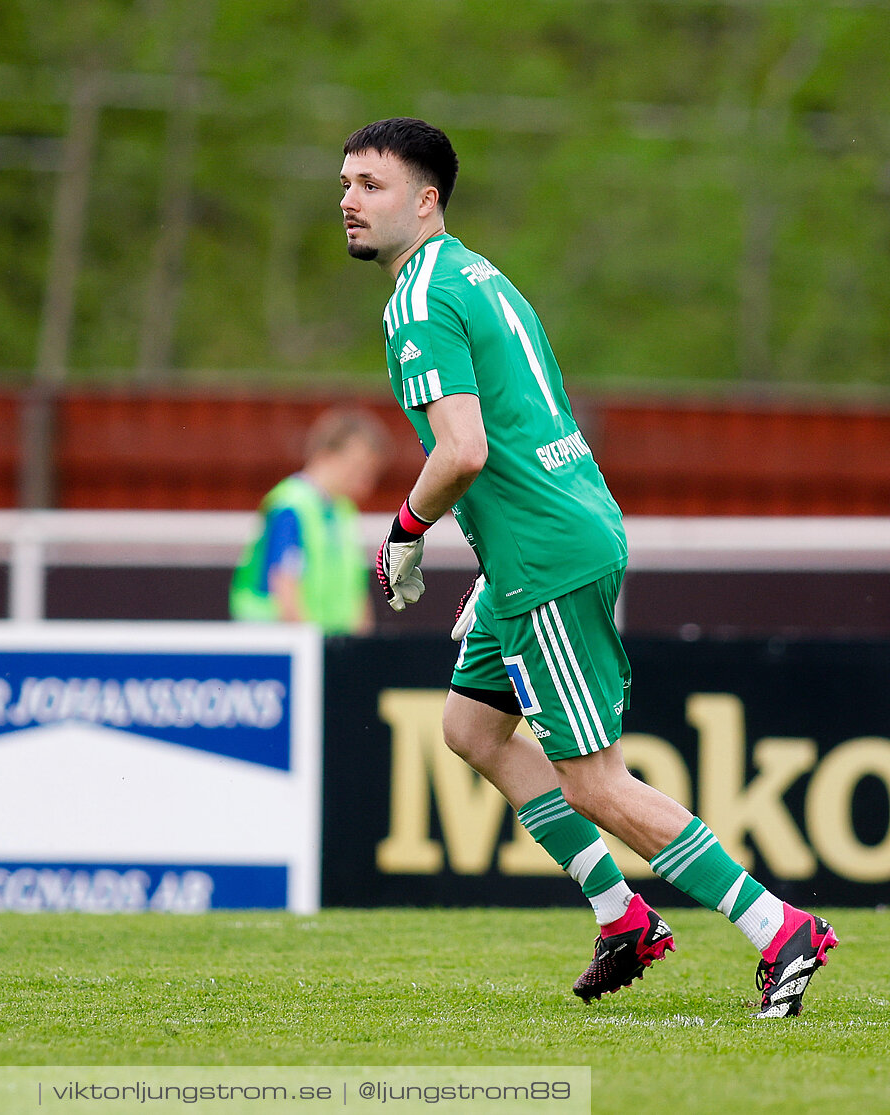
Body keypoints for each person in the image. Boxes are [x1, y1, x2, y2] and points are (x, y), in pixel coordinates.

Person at [339, 117, 837, 1017]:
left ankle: (778, 927)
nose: (348, 199)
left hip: (548, 556)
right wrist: (491, 568)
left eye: (371, 185)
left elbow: (463, 450)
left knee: (595, 780)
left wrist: (404, 530)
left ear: (426, 199)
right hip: (549, 538)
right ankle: (623, 916)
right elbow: (541, 419)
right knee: (470, 729)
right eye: (344, 183)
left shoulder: (420, 298)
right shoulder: (480, 276)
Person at [230, 409, 387, 634]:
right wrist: (310, 650)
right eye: (359, 468)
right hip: (279, 648)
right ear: (326, 455)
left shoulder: (343, 511)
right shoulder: (291, 505)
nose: (366, 484)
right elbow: (284, 586)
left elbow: (355, 591)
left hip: (328, 647)